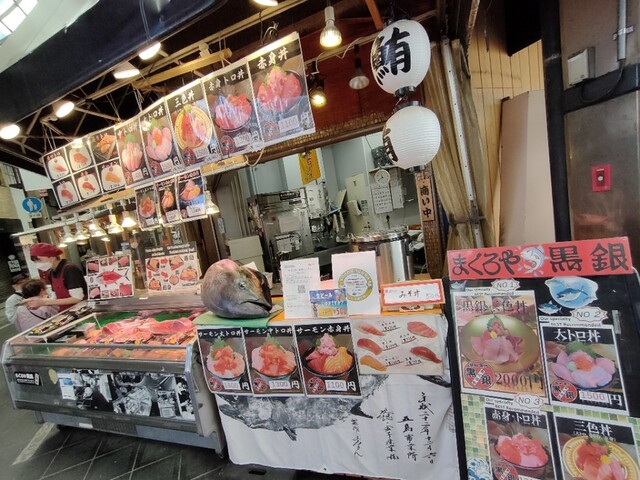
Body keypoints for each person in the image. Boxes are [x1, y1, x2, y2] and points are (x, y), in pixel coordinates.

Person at [27, 243, 87, 312]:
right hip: (67, 312)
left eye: (39, 260)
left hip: (82, 310)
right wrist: (38, 301)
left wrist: (45, 302)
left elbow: (77, 298)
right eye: (36, 261)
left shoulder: (70, 269)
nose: (38, 264)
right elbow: (55, 297)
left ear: (52, 256)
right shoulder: (51, 273)